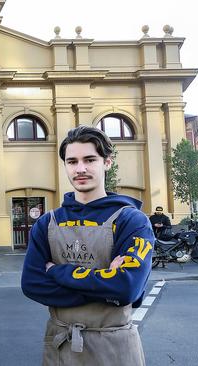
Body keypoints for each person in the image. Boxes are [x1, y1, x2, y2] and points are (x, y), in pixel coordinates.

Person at [21, 126, 154, 365]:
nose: (80, 169)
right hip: (59, 346)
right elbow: (32, 285)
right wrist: (106, 288)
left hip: (115, 347)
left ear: (107, 162)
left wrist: (56, 272)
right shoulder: (47, 223)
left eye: (89, 159)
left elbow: (126, 288)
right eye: (72, 161)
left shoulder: (131, 220)